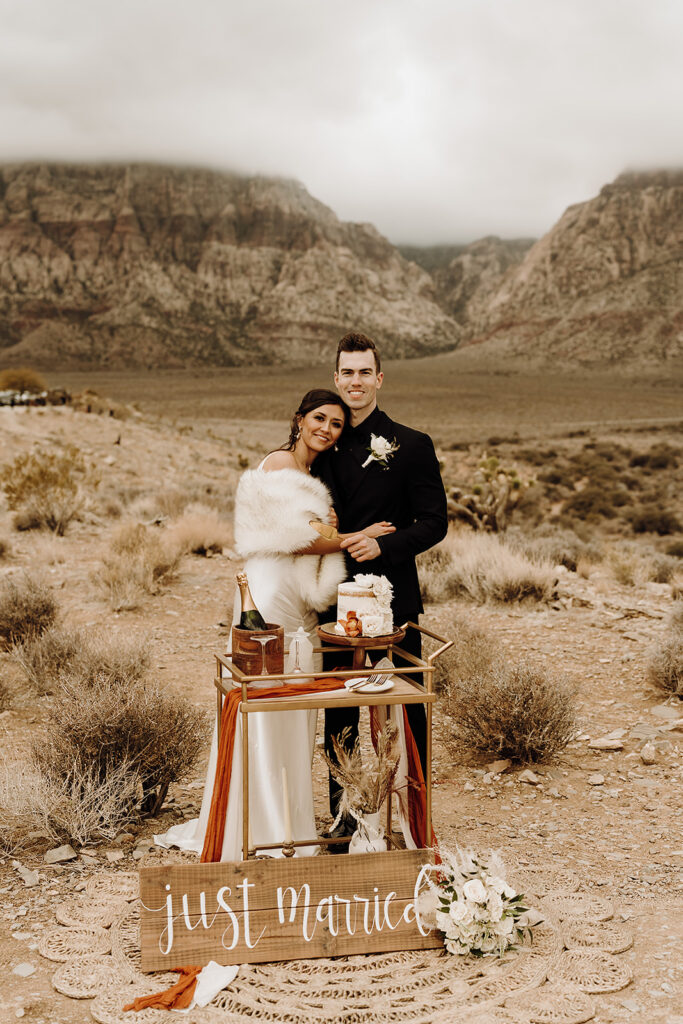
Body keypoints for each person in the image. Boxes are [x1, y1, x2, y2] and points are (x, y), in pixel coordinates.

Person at [155, 388, 395, 861]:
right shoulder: (284, 465)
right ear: (299, 419)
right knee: (264, 699)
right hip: (270, 596)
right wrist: (356, 537)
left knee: (288, 704)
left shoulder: (306, 474)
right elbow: (298, 541)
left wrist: (333, 529)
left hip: (294, 596)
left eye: (337, 425)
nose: (327, 429)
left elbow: (312, 534)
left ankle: (284, 822)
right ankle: (259, 822)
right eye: (320, 419)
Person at [312, 333, 448, 848]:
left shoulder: (411, 444)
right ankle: (343, 820)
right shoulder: (321, 443)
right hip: (333, 600)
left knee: (410, 706)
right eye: (346, 373)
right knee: (340, 711)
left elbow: (434, 522)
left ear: (379, 378)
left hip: (396, 601)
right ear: (336, 378)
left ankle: (417, 814)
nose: (355, 382)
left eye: (364, 372)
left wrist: (383, 547)